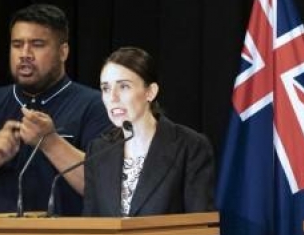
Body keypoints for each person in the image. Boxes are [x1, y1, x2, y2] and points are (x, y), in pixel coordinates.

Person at [0, 4, 111, 214]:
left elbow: (107, 188)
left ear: (63, 52)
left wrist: (50, 142)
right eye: (17, 44)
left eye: (37, 44)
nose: (25, 54)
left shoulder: (95, 105)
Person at [82, 46, 215, 216]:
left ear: (150, 92)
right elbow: (91, 223)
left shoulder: (190, 146)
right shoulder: (98, 150)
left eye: (123, 87)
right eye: (106, 88)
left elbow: (199, 226)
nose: (112, 98)